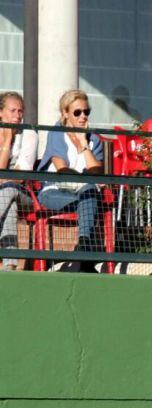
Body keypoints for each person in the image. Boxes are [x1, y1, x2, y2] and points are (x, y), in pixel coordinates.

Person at [37, 90, 104, 272]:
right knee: (90, 193)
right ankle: (87, 258)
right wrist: (87, 178)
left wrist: (83, 144)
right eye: (77, 112)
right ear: (65, 113)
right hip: (53, 191)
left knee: (89, 193)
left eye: (86, 112)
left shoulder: (94, 140)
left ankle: (82, 247)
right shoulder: (57, 133)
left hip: (82, 194)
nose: (83, 116)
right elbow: (62, 169)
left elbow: (97, 171)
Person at [0, 91, 38, 271]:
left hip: (25, 196)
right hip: (7, 198)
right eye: (12, 110)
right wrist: (6, 143)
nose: (17, 116)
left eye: (20, 111)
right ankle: (10, 265)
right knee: (9, 203)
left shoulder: (29, 135)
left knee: (9, 189)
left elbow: (20, 176)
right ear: (1, 113)